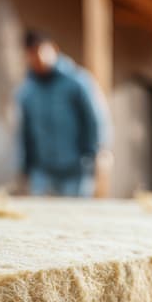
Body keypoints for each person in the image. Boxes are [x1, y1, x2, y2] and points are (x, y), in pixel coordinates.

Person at [17, 30, 101, 197]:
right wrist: (25, 167)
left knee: (75, 211)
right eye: (33, 53)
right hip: (43, 171)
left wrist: (93, 155)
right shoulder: (28, 91)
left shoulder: (76, 82)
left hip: (75, 169)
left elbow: (93, 120)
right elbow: (25, 132)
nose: (39, 57)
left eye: (42, 50)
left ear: (54, 49)